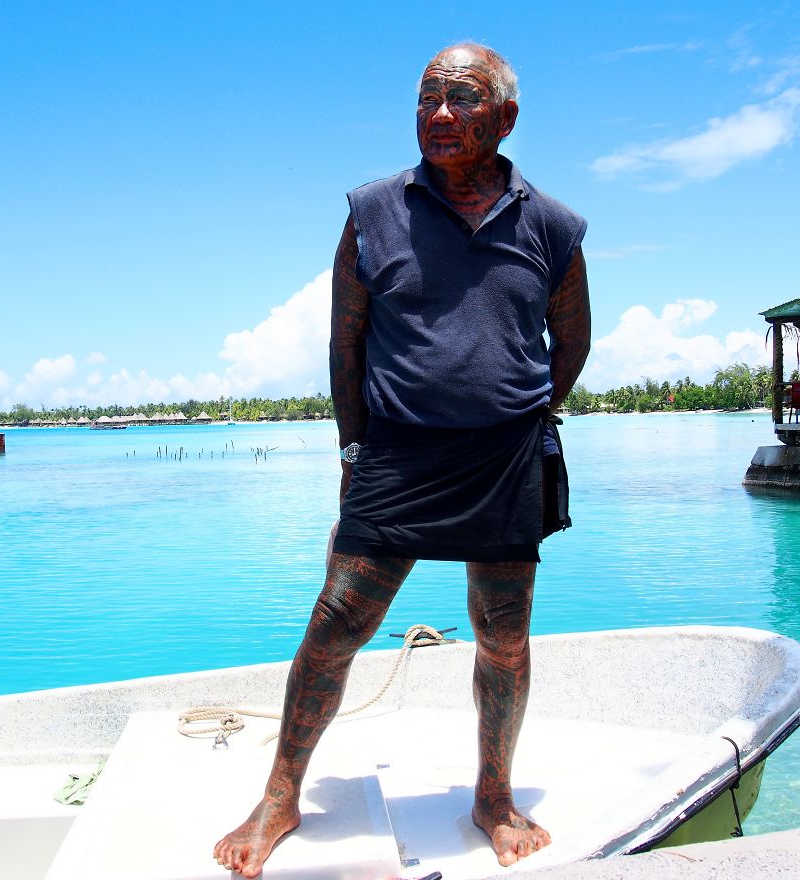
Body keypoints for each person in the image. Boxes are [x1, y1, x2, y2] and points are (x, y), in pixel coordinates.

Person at [214, 43, 591, 878]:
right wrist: (354, 446)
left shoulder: (554, 227)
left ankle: (493, 797)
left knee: (504, 638)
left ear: (506, 118)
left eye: (462, 98)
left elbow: (572, 342)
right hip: (396, 451)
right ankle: (282, 793)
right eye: (427, 100)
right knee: (336, 621)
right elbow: (343, 344)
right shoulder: (373, 210)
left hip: (504, 457)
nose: (441, 115)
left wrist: (516, 408)